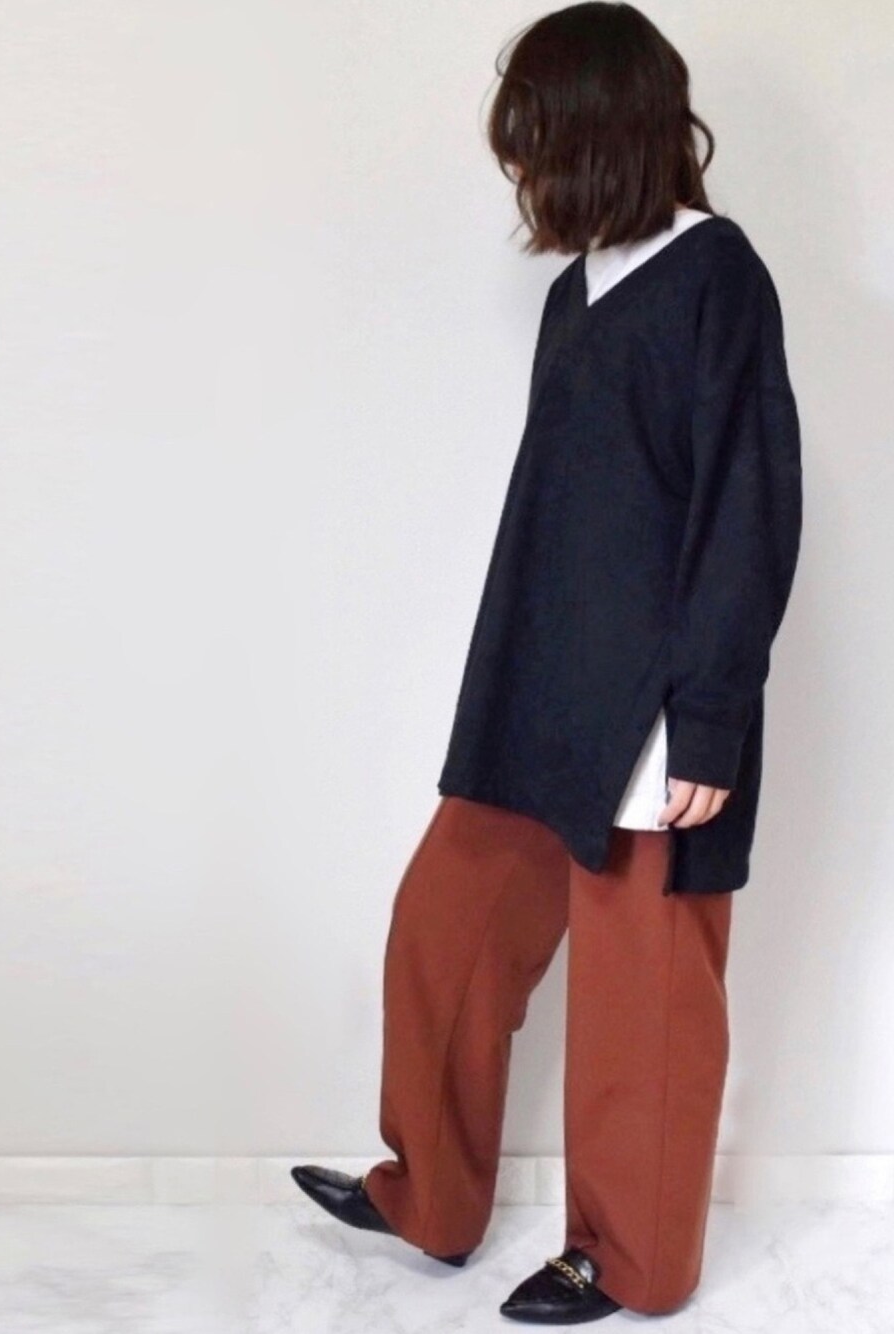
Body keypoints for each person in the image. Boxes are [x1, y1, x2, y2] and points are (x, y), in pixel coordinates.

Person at [292, 2, 803, 1323]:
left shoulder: (718, 276)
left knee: (645, 1006)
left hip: (650, 707)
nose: (521, 166)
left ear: (597, 129)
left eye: (533, 138)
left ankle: (629, 1261)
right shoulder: (577, 292)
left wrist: (710, 715)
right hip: (535, 688)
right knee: (444, 934)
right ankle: (431, 1194)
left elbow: (748, 509)